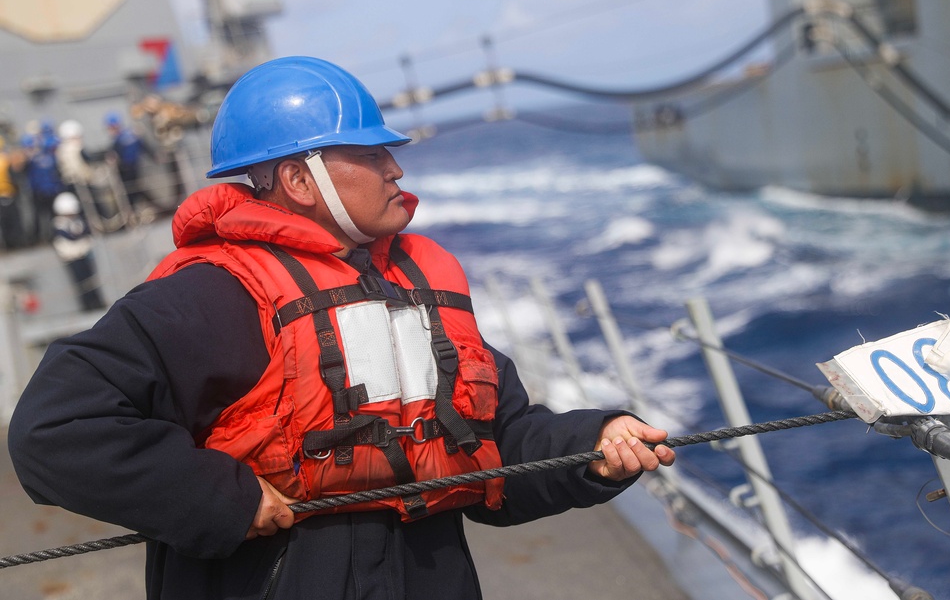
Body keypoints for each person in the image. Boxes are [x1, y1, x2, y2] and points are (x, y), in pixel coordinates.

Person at [7, 56, 674, 600]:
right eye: (372, 153)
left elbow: (499, 444)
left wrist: (593, 443)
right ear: (301, 178)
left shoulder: (418, 289)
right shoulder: (211, 298)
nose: (397, 169)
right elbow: (53, 430)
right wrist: (221, 498)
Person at [104, 111, 169, 220]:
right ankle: (141, 211)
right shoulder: (132, 134)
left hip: (127, 170)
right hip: (134, 168)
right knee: (136, 191)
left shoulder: (119, 139)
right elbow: (144, 147)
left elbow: (116, 155)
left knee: (133, 192)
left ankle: (134, 214)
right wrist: (155, 156)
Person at [51, 191, 105, 311]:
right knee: (80, 282)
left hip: (84, 255)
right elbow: (69, 235)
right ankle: (87, 304)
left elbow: (85, 231)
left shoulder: (78, 221)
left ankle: (97, 301)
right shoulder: (59, 223)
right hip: (72, 258)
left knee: (91, 279)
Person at [0, 136, 26, 249]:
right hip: (9, 193)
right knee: (12, 220)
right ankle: (14, 242)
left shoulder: (7, 159)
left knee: (7, 221)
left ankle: (11, 243)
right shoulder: (7, 159)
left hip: (7, 194)